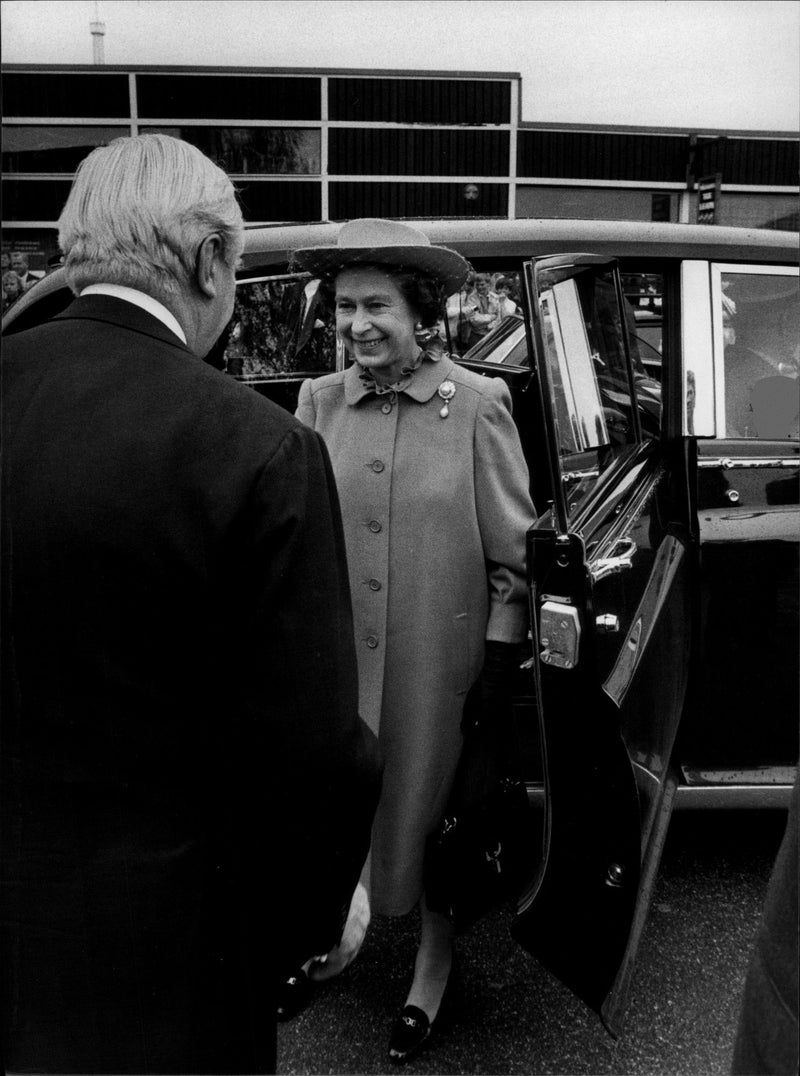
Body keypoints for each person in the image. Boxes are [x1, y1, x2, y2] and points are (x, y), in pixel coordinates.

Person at [1, 134, 382, 1075]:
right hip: (172, 957)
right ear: (211, 259)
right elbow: (308, 748)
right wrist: (314, 921)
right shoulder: (256, 447)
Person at [290, 218, 535, 1063]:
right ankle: (337, 930)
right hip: (338, 662)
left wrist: (493, 687)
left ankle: (433, 961)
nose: (358, 325)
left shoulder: (477, 406)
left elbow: (514, 563)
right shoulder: (318, 402)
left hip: (439, 668)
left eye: (377, 306)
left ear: (420, 311)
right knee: (338, 805)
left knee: (437, 818)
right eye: (345, 308)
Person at [464, 272, 501, 348]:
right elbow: (474, 319)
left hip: (492, 334)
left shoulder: (495, 298)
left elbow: (499, 318)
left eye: (482, 284)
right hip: (477, 336)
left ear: (488, 284)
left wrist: (490, 325)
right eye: (477, 285)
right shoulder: (471, 299)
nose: (479, 287)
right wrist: (491, 317)